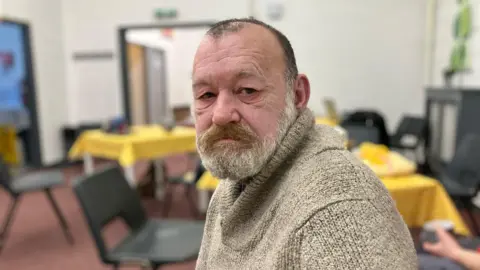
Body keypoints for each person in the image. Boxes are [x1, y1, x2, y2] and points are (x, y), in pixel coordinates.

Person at [192, 18, 417, 269]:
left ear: (297, 95)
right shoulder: (235, 181)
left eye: (247, 90)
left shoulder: (337, 207)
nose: (220, 115)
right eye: (206, 95)